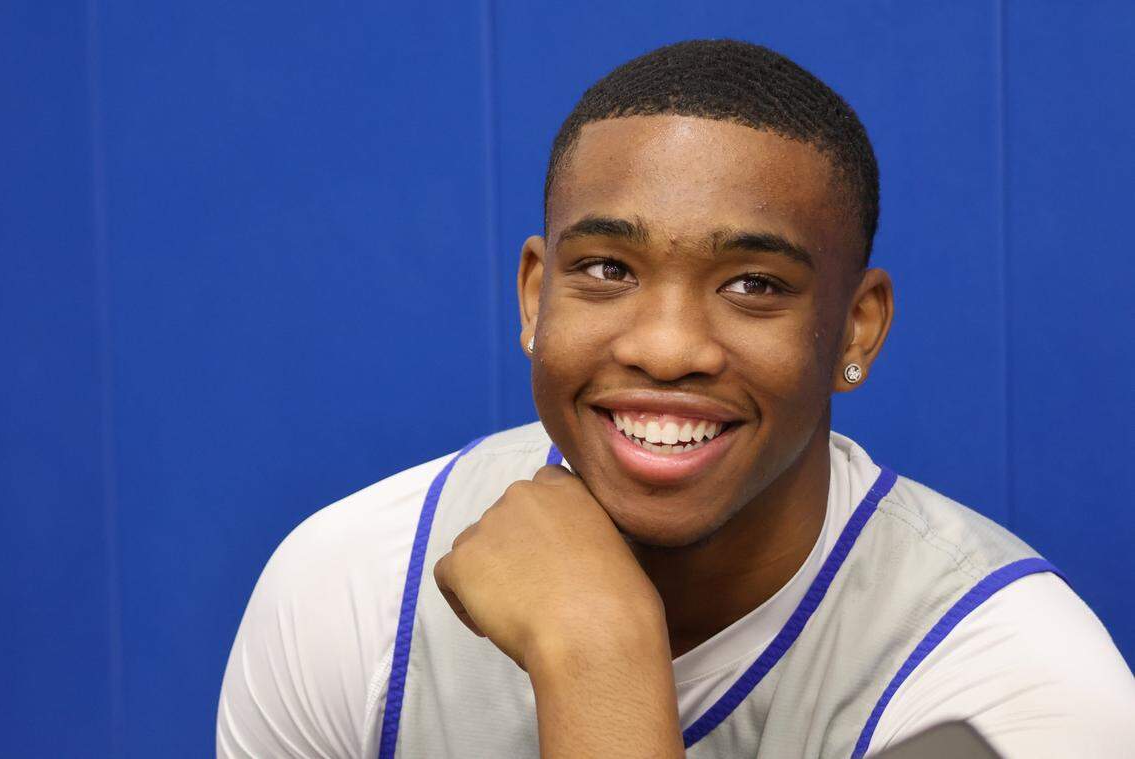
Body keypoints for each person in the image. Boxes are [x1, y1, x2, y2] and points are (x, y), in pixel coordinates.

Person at [217, 40, 1135, 758]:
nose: (665, 347)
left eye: (754, 284)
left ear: (856, 328)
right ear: (536, 296)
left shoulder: (1012, 678)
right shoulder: (358, 587)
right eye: (607, 269)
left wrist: (598, 658)